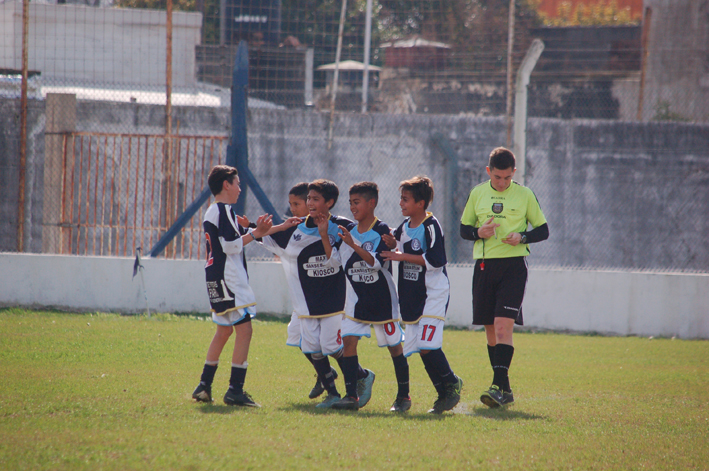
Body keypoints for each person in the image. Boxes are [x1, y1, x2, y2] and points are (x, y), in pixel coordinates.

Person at [257, 179, 370, 408]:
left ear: (329, 202)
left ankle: (361, 376)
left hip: (335, 300)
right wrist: (246, 227)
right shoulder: (294, 228)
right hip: (306, 305)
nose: (309, 203)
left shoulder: (342, 227)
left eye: (315, 199)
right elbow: (264, 235)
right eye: (308, 198)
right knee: (311, 348)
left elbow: (364, 241)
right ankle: (333, 394)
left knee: (329, 346)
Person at [459, 147, 549, 408]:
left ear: (514, 174)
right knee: (490, 330)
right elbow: (465, 230)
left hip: (513, 268)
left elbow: (543, 230)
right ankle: (505, 389)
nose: (502, 182)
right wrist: (479, 232)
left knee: (502, 326)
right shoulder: (477, 193)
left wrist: (523, 237)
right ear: (489, 172)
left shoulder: (525, 195)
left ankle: (497, 386)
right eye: (498, 177)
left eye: (507, 178)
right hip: (485, 267)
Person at [191, 165, 274, 407]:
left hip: (215, 278)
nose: (239, 189)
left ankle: (204, 385)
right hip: (230, 279)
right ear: (226, 184)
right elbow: (231, 245)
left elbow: (238, 237)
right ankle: (235, 390)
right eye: (237, 183)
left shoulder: (211, 211)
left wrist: (263, 231)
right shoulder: (224, 209)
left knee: (224, 331)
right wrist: (257, 233)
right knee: (245, 330)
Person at [382, 176, 463, 414]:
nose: (400, 203)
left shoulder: (431, 226)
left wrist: (400, 255)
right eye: (401, 198)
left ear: (420, 203)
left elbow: (437, 261)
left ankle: (451, 383)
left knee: (428, 343)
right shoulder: (405, 225)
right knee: (421, 347)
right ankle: (443, 394)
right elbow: (396, 240)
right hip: (413, 295)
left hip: (434, 293)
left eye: (405, 199)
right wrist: (390, 241)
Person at [330, 182, 410, 412]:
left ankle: (404, 397)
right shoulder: (349, 233)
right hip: (356, 300)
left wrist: (352, 244)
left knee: (395, 347)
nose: (353, 208)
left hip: (382, 300)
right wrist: (330, 238)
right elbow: (335, 261)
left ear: (371, 203)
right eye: (351, 203)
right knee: (348, 341)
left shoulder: (382, 231)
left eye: (357, 203)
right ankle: (351, 396)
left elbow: (376, 263)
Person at [284, 182, 339, 400]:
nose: (295, 208)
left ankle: (353, 377)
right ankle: (326, 373)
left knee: (325, 344)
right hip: (302, 300)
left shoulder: (332, 226)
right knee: (298, 338)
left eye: (298, 203)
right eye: (293, 204)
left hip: (324, 300)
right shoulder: (294, 228)